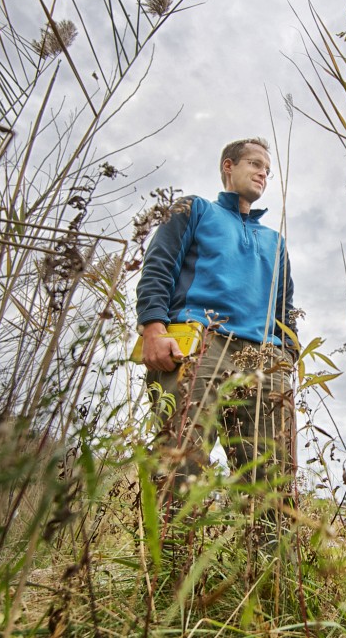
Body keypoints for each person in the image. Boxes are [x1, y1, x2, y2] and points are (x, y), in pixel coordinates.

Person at [136, 137, 297, 539]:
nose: (263, 174)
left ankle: (265, 573)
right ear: (229, 165)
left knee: (270, 475)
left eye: (267, 170)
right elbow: (158, 266)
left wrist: (288, 355)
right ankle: (169, 568)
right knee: (181, 463)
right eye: (255, 164)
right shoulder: (194, 209)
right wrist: (153, 327)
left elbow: (285, 308)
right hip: (201, 344)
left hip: (264, 359)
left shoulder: (275, 242)